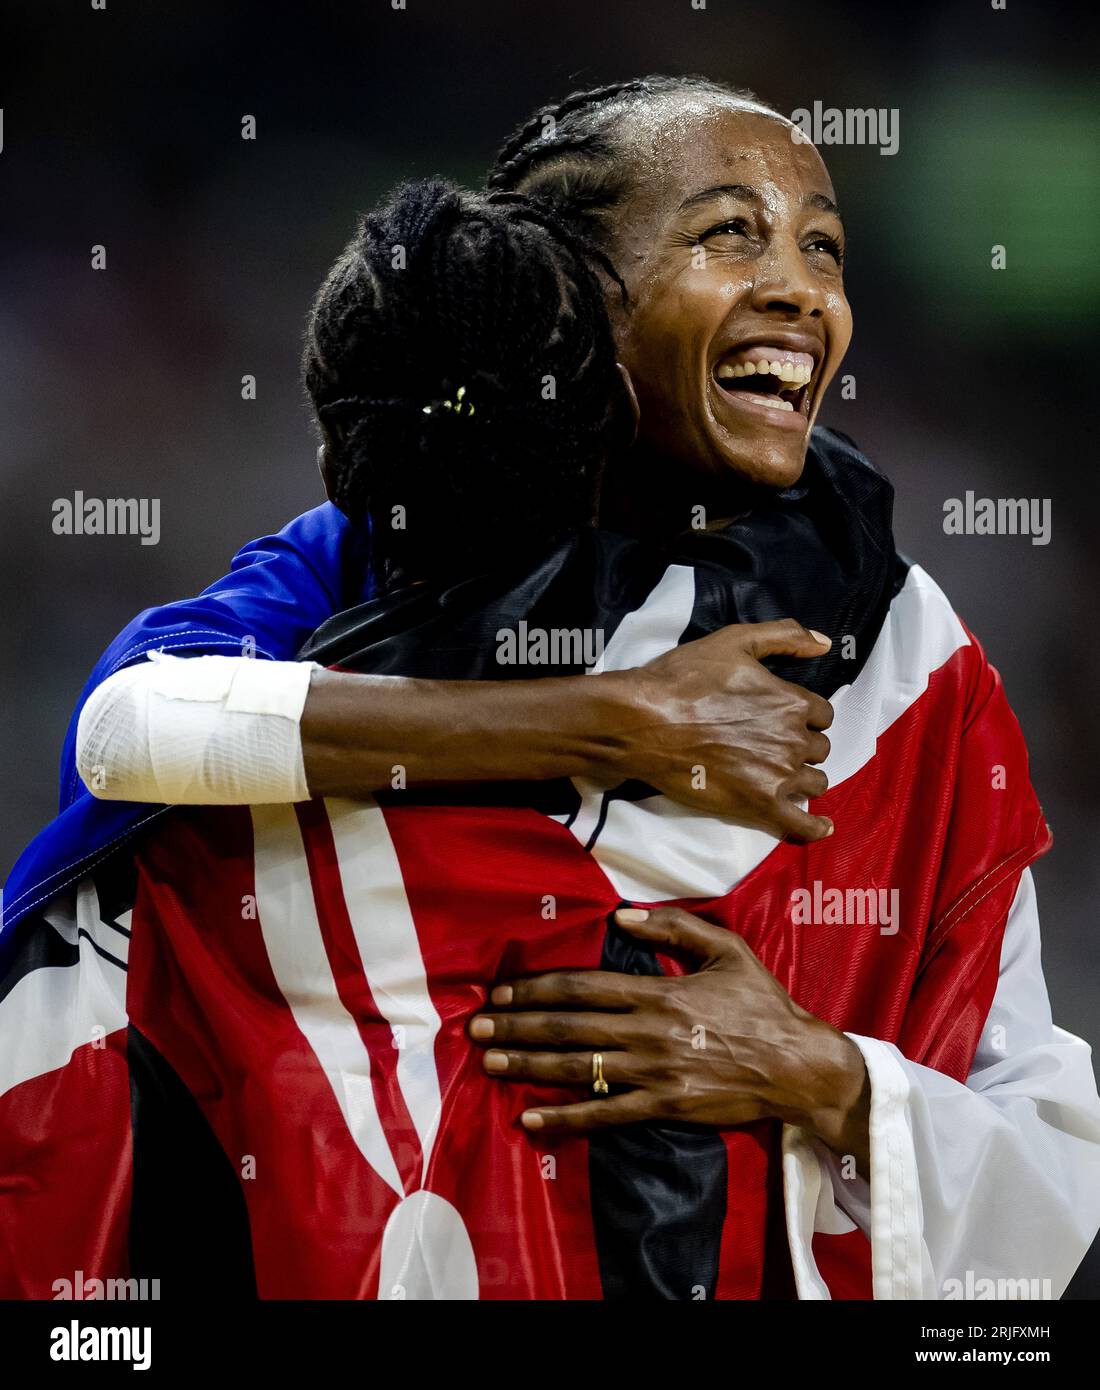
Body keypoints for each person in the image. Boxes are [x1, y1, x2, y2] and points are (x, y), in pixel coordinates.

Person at [3, 76, 1098, 1300]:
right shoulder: (379, 559)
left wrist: (820, 1074)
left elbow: (1039, 1138)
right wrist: (621, 719)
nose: (799, 286)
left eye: (822, 245)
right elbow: (130, 732)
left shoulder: (902, 648)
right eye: (726, 232)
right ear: (571, 294)